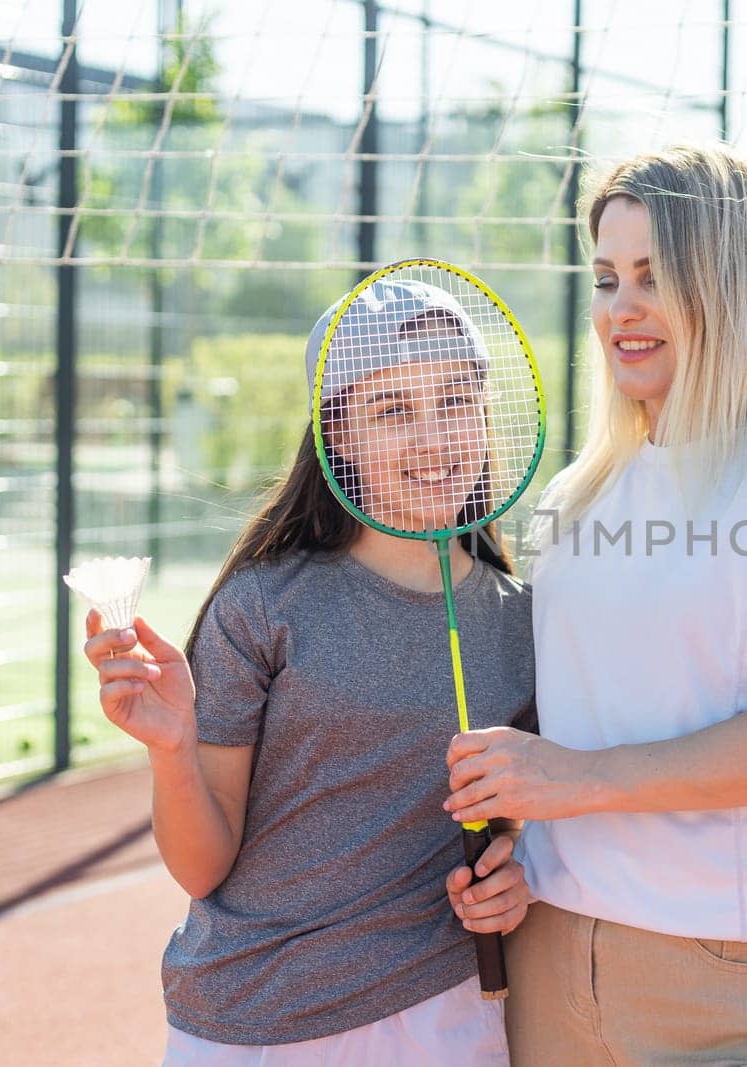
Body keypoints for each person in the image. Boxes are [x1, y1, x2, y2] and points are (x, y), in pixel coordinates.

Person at [444, 143, 747, 1065]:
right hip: (549, 956)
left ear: (728, 283)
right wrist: (509, 849)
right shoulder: (576, 496)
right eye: (608, 278)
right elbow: (561, 723)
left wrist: (578, 778)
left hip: (721, 973)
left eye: (655, 276)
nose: (623, 309)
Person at [83, 278, 535, 1066]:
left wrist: (513, 872)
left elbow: (520, 820)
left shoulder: (525, 620)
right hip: (248, 1020)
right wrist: (173, 746)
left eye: (456, 400)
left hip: (447, 1011)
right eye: (392, 409)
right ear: (338, 438)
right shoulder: (262, 606)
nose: (433, 438)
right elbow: (201, 865)